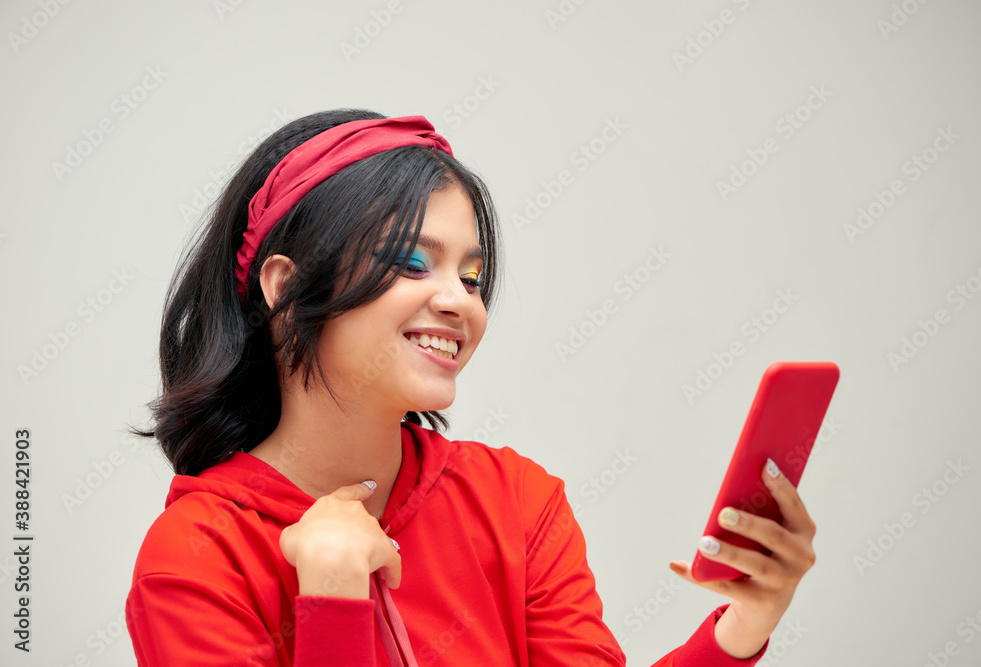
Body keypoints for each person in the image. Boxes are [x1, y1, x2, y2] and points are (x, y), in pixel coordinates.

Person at [125, 109, 817, 666]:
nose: (459, 301)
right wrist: (332, 599)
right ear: (285, 287)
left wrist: (743, 625)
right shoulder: (194, 557)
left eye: (472, 275)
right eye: (413, 262)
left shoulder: (516, 502)